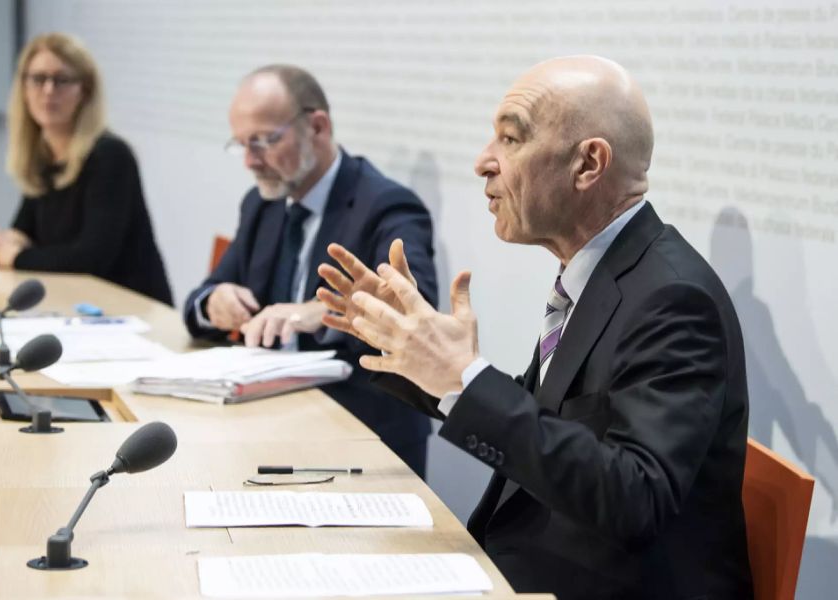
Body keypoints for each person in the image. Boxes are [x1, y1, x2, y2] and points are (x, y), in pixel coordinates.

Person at [317, 56, 754, 599]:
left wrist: (465, 379)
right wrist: (415, 353)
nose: (483, 162)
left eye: (511, 139)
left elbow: (638, 498)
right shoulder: (600, 273)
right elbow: (551, 426)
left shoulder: (672, 298)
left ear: (588, 164)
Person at [183, 65, 437, 478]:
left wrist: (315, 312)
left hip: (360, 432)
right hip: (271, 420)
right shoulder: (261, 203)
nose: (250, 160)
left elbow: (414, 306)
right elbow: (200, 299)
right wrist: (213, 303)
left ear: (317, 126)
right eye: (242, 144)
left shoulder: (388, 204)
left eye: (264, 141)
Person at [0, 33, 172, 305]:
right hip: (76, 304)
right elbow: (25, 230)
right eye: (38, 78)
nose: (48, 90)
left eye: (61, 80)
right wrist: (1, 241)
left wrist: (17, 257)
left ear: (85, 90)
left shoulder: (110, 156)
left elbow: (91, 258)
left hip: (131, 311)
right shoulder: (44, 155)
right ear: (23, 88)